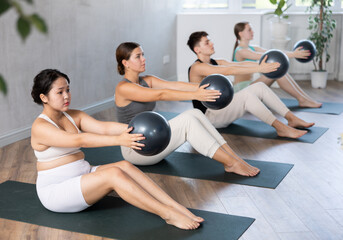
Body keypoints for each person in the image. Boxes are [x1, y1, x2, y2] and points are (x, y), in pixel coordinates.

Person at [30, 69, 203, 230]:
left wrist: (135, 130)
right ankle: (168, 215)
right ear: (44, 97)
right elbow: (79, 139)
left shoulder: (73, 115)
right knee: (114, 174)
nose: (66, 96)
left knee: (125, 166)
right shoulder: (40, 127)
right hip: (57, 191)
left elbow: (104, 128)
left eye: (68, 90)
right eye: (60, 92)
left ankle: (175, 206)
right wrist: (119, 140)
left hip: (82, 174)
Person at [115, 42, 260, 177]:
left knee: (195, 113)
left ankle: (234, 158)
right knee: (188, 121)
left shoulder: (147, 80)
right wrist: (195, 95)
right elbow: (161, 94)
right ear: (125, 63)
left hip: (155, 141)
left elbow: (175, 85)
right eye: (138, 56)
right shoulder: (124, 88)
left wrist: (204, 87)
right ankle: (230, 163)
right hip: (137, 150)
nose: (144, 59)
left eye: (143, 55)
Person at [187, 31, 314, 138]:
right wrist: (260, 69)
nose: (211, 43)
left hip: (221, 111)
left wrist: (262, 66)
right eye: (206, 42)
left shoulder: (216, 61)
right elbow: (227, 71)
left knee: (259, 87)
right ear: (197, 49)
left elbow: (239, 65)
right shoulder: (197, 68)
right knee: (247, 95)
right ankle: (281, 128)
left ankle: (291, 118)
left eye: (210, 41)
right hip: (209, 117)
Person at [232, 21, 322, 108]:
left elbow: (275, 52)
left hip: (250, 86)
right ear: (240, 34)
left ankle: (305, 98)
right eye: (249, 30)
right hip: (242, 91)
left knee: (280, 71)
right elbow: (266, 55)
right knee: (277, 71)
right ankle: (302, 100)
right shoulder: (241, 51)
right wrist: (294, 54)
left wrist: (293, 52)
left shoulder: (253, 48)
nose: (252, 32)